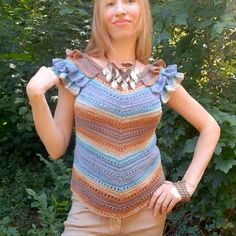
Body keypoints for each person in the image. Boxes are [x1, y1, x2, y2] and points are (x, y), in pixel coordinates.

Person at [26, 0, 220, 235]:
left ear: (143, 10)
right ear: (100, 14)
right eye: (109, 3)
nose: (119, 9)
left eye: (129, 1)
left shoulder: (156, 77)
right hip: (86, 216)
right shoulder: (77, 70)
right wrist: (36, 96)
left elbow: (210, 126)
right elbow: (56, 149)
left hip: (148, 214)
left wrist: (185, 187)